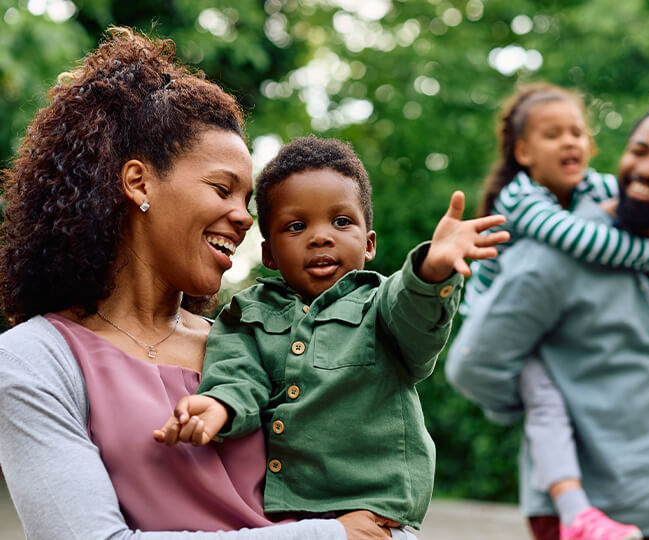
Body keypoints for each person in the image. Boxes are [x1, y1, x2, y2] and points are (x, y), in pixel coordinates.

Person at [0, 27, 411, 539]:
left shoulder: (256, 340)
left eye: (248, 203)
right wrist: (328, 536)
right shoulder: (33, 360)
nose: (242, 218)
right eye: (222, 189)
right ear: (138, 182)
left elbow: (379, 508)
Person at [154, 135, 510, 530]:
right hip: (289, 517)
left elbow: (416, 317)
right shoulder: (247, 313)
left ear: (369, 243)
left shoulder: (380, 304)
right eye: (296, 226)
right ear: (269, 253)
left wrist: (431, 270)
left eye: (341, 222)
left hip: (376, 515)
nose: (321, 236)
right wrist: (220, 405)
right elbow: (239, 373)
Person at [459, 83, 649, 539]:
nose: (646, 168)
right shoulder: (553, 251)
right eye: (639, 150)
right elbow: (472, 367)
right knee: (545, 395)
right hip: (584, 515)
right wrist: (551, 404)